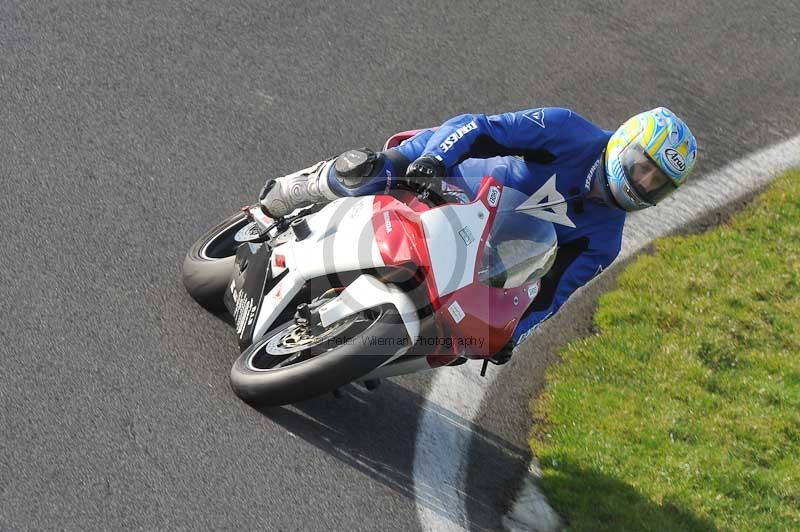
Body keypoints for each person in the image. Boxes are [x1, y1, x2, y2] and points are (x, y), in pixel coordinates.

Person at [259, 107, 698, 354]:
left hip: (480, 243)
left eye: (656, 184)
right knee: (370, 173)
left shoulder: (605, 241)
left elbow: (550, 294)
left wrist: (513, 334)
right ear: (625, 142)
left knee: (464, 338)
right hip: (447, 173)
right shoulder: (569, 131)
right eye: (643, 168)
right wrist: (434, 159)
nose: (643, 184)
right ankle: (293, 191)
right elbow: (480, 127)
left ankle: (364, 350)